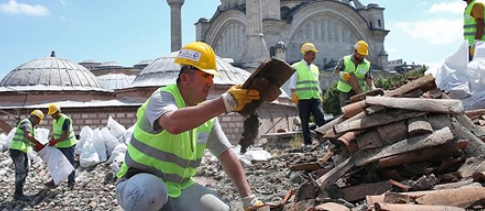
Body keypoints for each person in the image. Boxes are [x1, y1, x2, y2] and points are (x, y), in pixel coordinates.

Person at [116, 41, 264, 211]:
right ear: (185, 78)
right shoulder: (162, 98)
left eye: (212, 77)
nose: (211, 83)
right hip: (139, 182)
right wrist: (225, 103)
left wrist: (248, 198)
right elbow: (172, 123)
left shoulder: (207, 117)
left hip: (178, 188)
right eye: (205, 76)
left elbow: (226, 154)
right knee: (148, 192)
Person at [289, 42, 327, 147]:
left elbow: (317, 83)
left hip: (315, 98)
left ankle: (324, 140)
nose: (314, 56)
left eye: (314, 54)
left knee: (320, 117)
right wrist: (293, 94)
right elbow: (292, 83)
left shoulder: (315, 68)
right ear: (305, 54)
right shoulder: (296, 67)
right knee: (304, 122)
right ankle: (308, 143)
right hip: (303, 98)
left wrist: (320, 96)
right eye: (312, 54)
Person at [9, 109, 45, 201]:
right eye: (38, 120)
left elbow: (29, 141)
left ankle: (19, 192)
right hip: (17, 150)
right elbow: (28, 136)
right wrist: (38, 144)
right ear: (34, 117)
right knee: (21, 172)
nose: (38, 123)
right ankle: (18, 194)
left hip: (22, 150)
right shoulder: (26, 123)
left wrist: (41, 148)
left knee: (25, 170)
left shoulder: (31, 126)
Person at [335, 41, 373, 108]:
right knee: (345, 110)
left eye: (363, 55)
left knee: (358, 110)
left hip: (359, 92)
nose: (361, 56)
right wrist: (341, 73)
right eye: (360, 54)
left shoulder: (367, 64)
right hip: (345, 91)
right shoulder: (345, 60)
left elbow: (368, 79)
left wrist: (372, 88)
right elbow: (337, 70)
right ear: (355, 51)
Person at [47, 103, 76, 189]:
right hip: (59, 145)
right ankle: (55, 182)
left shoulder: (65, 120)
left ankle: (71, 184)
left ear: (58, 112)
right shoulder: (54, 121)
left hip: (68, 145)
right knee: (57, 164)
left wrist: (54, 142)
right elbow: (55, 133)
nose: (52, 116)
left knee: (69, 164)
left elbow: (65, 135)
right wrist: (52, 141)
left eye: (53, 114)